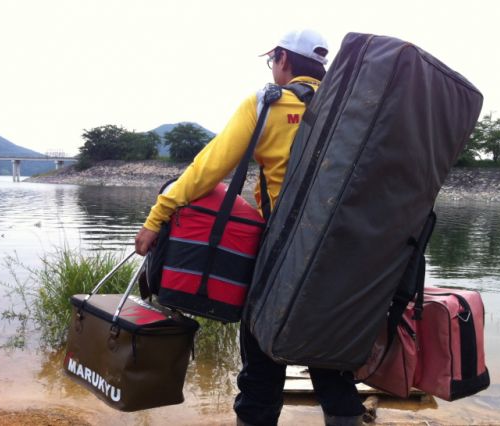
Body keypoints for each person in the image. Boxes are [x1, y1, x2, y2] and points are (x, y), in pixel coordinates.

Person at [134, 29, 364, 426]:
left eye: (273, 60)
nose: (273, 67)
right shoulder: (352, 110)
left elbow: (208, 170)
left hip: (280, 253)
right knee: (331, 367)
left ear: (284, 60)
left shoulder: (268, 104)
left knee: (261, 369)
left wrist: (157, 216)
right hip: (343, 254)